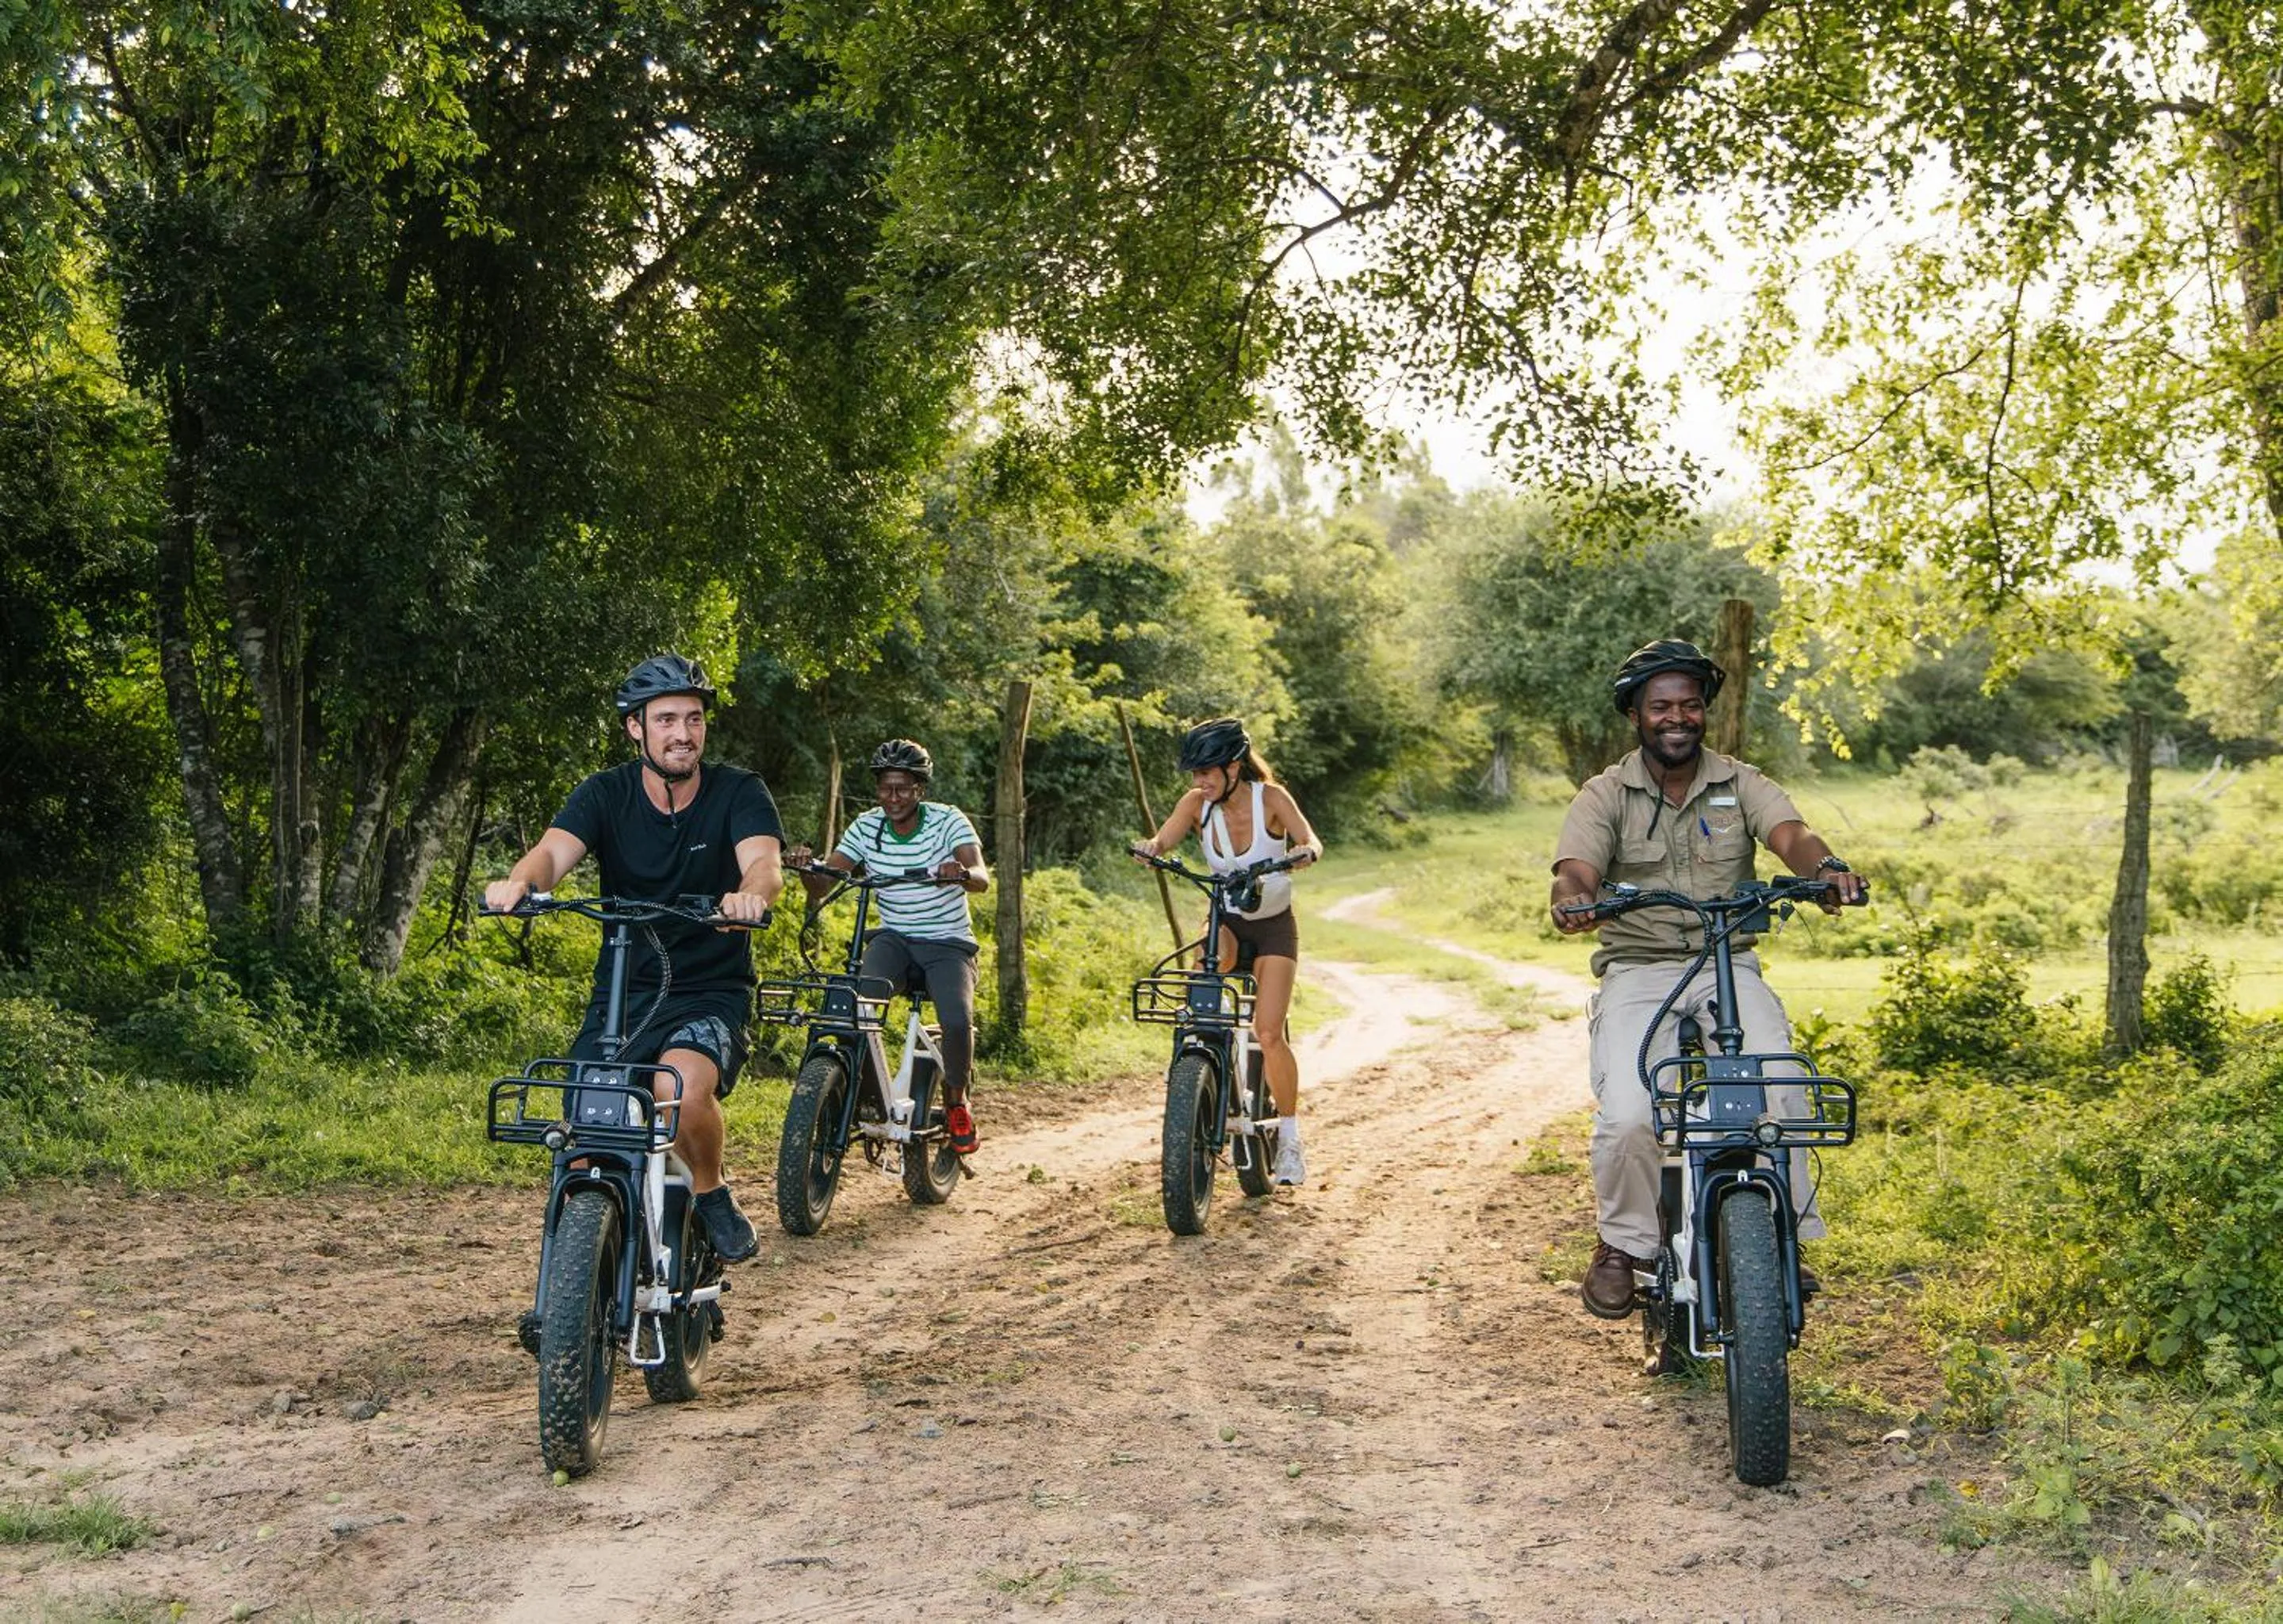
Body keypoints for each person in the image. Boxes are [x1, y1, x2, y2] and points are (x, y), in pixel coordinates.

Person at [1549, 639, 1866, 1320]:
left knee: (1781, 1085)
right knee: (1632, 1112)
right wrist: (1574, 897)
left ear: (1703, 714)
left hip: (1729, 958)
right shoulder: (1605, 794)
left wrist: (1826, 869)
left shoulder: (1740, 782)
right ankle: (1622, 1246)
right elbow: (1575, 866)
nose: (1676, 717)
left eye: (1689, 705)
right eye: (1660, 705)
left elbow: (1791, 835)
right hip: (1639, 968)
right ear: (1635, 714)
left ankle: (1782, 1235)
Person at [484, 654, 783, 1264]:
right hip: (624, 992)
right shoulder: (604, 793)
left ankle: (710, 1192)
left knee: (677, 1095)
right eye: (666, 719)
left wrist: (750, 894)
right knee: (588, 1135)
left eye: (693, 719)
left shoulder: (738, 790)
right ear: (635, 728)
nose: (682, 734)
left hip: (709, 990)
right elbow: (550, 854)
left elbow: (764, 862)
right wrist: (520, 885)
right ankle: (576, 1293)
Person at [1130, 718, 1323, 1185]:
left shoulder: (1270, 799)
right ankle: (1200, 1078)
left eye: (1207, 773)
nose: (1199, 782)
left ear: (1234, 767)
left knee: (1269, 1032)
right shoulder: (1197, 805)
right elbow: (1164, 838)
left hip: (1275, 927)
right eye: (1195, 774)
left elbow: (1309, 839)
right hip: (1228, 922)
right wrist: (1149, 848)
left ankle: (1291, 1142)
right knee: (1202, 1006)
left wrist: (1304, 852)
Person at [785, 739, 990, 1155]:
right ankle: (862, 1093)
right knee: (857, 1006)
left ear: (920, 789)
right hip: (894, 939)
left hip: (948, 943)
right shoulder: (866, 826)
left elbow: (981, 877)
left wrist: (960, 872)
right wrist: (807, 869)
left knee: (955, 1018)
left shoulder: (948, 821)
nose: (892, 798)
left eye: (903, 788)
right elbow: (825, 883)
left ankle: (956, 1099)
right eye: (885, 788)